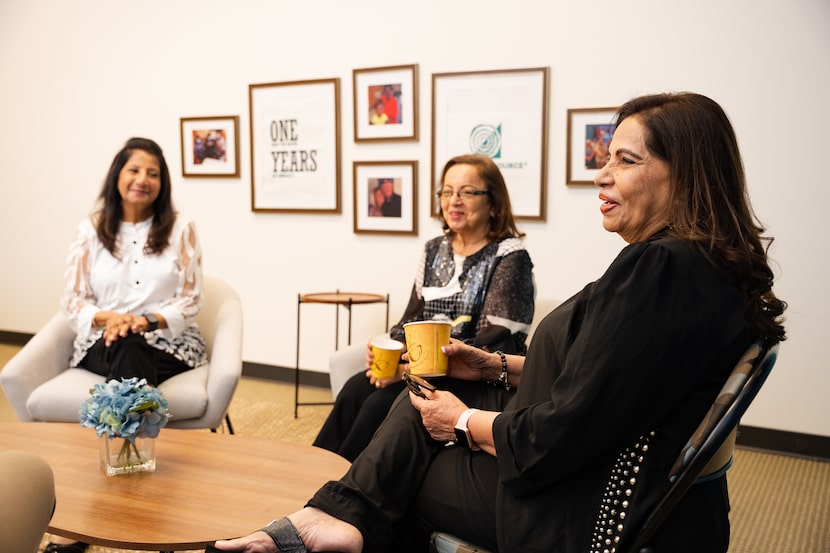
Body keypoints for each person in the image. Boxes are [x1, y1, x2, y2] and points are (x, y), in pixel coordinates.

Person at [215, 92, 787, 553]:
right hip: (600, 473)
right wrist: (496, 364)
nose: (601, 175)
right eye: (607, 157)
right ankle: (338, 515)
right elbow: (608, 377)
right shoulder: (697, 265)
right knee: (410, 411)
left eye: (627, 160)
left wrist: (463, 423)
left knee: (404, 467)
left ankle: (338, 518)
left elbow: (563, 432)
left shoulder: (661, 268)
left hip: (580, 506)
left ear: (687, 175)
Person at [313, 154, 535, 462]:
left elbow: (494, 343)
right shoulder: (434, 249)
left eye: (467, 191)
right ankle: (312, 473)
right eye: (447, 191)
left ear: (493, 202)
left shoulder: (511, 256)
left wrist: (407, 372)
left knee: (380, 406)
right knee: (354, 389)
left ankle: (344, 487)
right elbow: (410, 320)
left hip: (474, 377)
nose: (453, 201)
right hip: (422, 370)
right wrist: (387, 352)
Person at [47, 137, 207, 553]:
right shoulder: (91, 229)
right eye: (134, 170)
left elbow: (191, 300)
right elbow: (73, 299)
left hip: (168, 343)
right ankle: (144, 485)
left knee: (131, 345)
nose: (143, 180)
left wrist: (143, 320)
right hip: (104, 338)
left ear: (163, 183)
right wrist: (111, 319)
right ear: (118, 175)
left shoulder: (180, 228)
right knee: (124, 344)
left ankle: (103, 496)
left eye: (153, 173)